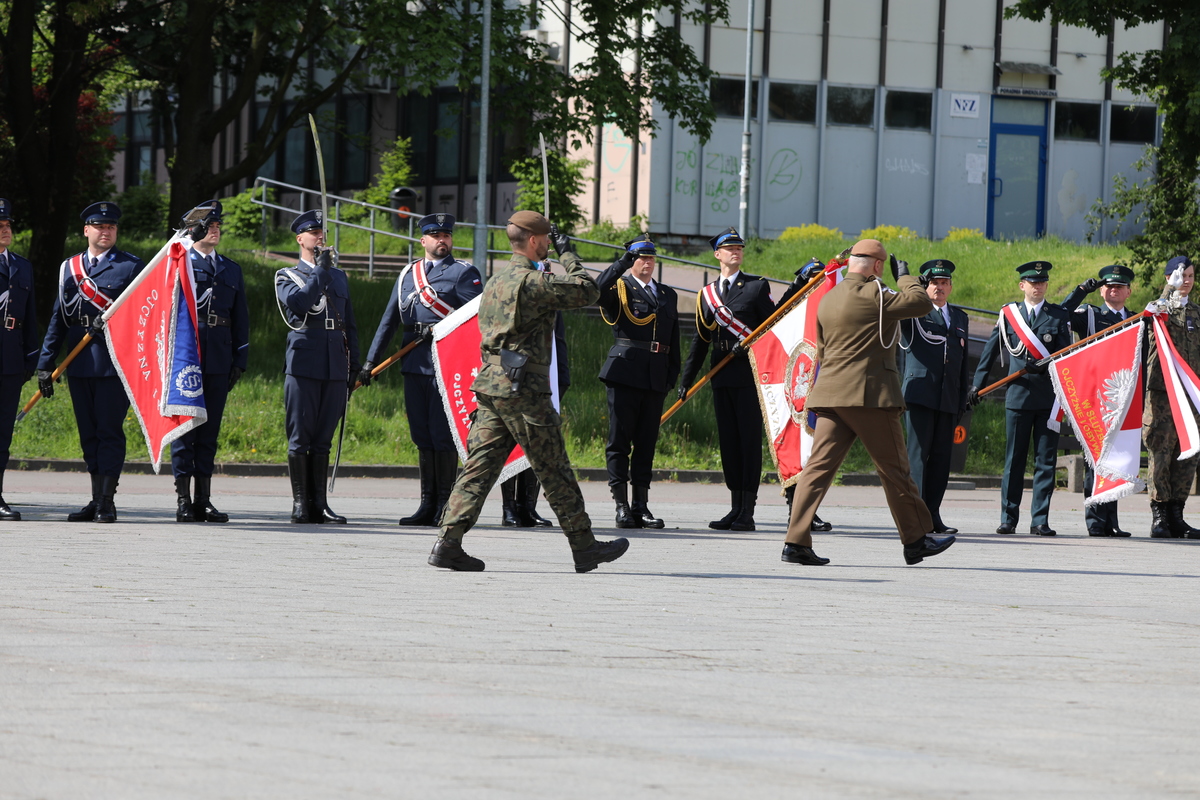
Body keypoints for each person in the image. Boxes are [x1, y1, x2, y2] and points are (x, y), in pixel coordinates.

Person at [429, 210, 628, 573]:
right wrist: (568, 254)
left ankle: (448, 542)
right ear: (535, 241)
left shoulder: (496, 281)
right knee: (554, 468)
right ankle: (584, 547)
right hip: (524, 391)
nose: (548, 243)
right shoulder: (531, 284)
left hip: (491, 387)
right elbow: (587, 290)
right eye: (547, 239)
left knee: (479, 468)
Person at [780, 239, 955, 567]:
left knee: (817, 471)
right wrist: (905, 277)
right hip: (869, 396)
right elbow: (919, 303)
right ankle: (916, 540)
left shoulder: (828, 299)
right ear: (877, 265)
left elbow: (822, 348)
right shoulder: (877, 294)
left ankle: (795, 541)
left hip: (831, 394)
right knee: (896, 471)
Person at [358, 213, 481, 526]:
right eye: (435, 235)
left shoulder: (464, 273)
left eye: (447, 235)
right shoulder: (408, 274)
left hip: (446, 365)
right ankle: (426, 504)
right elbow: (389, 320)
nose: (442, 240)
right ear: (423, 240)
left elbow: (475, 319)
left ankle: (445, 505)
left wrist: (441, 328)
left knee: (442, 437)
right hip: (413, 364)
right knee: (422, 436)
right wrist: (370, 363)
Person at [38, 201, 144, 523]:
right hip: (79, 362)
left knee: (109, 431)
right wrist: (46, 363)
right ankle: (94, 498)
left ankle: (107, 502)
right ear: (87, 230)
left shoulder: (131, 267)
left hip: (114, 364)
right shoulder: (69, 268)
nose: (106, 231)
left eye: (111, 227)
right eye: (99, 226)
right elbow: (59, 319)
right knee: (89, 434)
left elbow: (144, 317)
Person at [678, 227, 776, 531]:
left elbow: (772, 328)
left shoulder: (756, 288)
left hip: (748, 376)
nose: (735, 251)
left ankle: (748, 510)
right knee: (729, 443)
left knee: (748, 442)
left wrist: (747, 344)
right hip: (719, 374)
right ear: (717, 254)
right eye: (729, 248)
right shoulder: (707, 294)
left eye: (739, 248)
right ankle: (734, 508)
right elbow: (700, 339)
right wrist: (687, 379)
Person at [968, 261, 1072, 536]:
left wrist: (1048, 363)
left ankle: (1040, 520)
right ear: (1022, 285)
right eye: (1032, 282)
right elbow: (989, 353)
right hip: (1017, 397)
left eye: (1042, 282)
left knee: (1045, 461)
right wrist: (976, 386)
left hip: (1049, 400)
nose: (1038, 287)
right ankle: (1008, 518)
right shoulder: (1008, 315)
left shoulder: (1058, 317)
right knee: (1014, 460)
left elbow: (1067, 358)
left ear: (1047, 285)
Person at [275, 210, 360, 524]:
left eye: (321, 231)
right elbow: (297, 305)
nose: (319, 236)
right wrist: (319, 273)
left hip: (335, 363)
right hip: (304, 363)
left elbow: (349, 325)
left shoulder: (339, 276)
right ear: (300, 239)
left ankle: (320, 503)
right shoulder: (286, 275)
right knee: (301, 436)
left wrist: (355, 366)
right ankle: (300, 503)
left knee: (324, 436)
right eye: (312, 232)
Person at [170, 201, 249, 523]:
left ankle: (203, 499)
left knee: (209, 432)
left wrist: (239, 359)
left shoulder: (231, 269)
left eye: (218, 225)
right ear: (194, 230)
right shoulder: (177, 264)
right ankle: (183, 499)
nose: (216, 229)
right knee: (185, 429)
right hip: (185, 358)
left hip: (218, 356)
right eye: (209, 225)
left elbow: (240, 317)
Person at [595, 234, 680, 528]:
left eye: (650, 257)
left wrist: (672, 374)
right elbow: (594, 289)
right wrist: (620, 264)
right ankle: (621, 505)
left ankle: (641, 505)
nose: (646, 262)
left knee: (646, 443)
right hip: (625, 373)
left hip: (656, 376)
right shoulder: (619, 288)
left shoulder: (668, 294)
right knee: (619, 441)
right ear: (631, 260)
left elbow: (673, 339)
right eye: (639, 257)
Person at [1060, 264, 1136, 537]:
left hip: (1124, 399)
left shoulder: (1138, 319)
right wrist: (1081, 290)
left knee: (1118, 462)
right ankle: (1095, 520)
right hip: (1094, 398)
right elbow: (1060, 315)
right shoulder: (1091, 314)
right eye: (1109, 286)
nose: (1113, 290)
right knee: (1095, 461)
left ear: (1128, 291)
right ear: (1102, 289)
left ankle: (1111, 520)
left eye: (1119, 286)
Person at [900, 259, 970, 535]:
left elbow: (962, 362)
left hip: (948, 397)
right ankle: (915, 518)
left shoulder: (960, 317)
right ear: (924, 286)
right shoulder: (914, 311)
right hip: (921, 395)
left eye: (944, 283)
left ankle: (933, 515)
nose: (939, 288)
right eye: (933, 283)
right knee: (917, 458)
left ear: (951, 286)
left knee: (941, 460)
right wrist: (909, 281)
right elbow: (904, 303)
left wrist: (963, 397)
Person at [1143, 255, 1200, 539]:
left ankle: (1178, 514)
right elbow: (1154, 315)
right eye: (1181, 277)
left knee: (1187, 454)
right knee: (1161, 451)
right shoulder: (1159, 309)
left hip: (1191, 396)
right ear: (1169, 278)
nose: (1186, 281)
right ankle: (1160, 514)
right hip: (1163, 393)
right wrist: (1169, 292)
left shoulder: (1197, 314)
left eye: (1190, 276)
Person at [500, 312, 570, 529]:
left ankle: (527, 507)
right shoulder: (512, 290)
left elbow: (558, 340)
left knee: (536, 441)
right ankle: (509, 508)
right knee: (513, 441)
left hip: (544, 375)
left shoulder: (549, 294)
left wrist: (563, 376)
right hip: (513, 374)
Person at [0, 199, 39, 520]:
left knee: (2, 432)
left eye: (8, 225)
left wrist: (31, 358)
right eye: (0, 226)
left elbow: (30, 315)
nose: (6, 230)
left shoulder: (22, 266)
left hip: (10, 361)